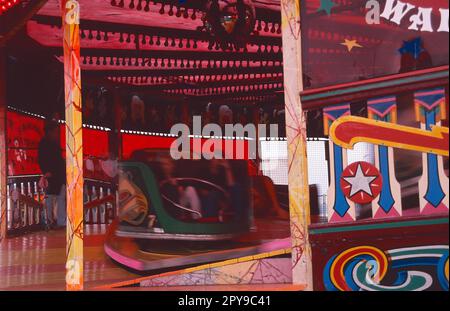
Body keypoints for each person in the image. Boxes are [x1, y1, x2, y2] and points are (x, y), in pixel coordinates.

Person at [38, 120, 66, 229]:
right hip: (50, 174)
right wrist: (46, 172)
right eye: (55, 131)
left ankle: (61, 221)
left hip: (59, 175)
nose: (56, 134)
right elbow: (41, 160)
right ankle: (48, 221)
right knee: (49, 198)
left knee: (61, 198)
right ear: (49, 131)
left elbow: (58, 160)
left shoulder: (55, 143)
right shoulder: (43, 143)